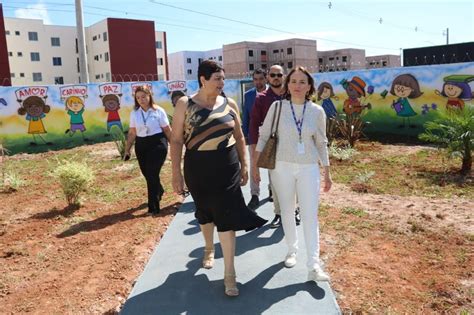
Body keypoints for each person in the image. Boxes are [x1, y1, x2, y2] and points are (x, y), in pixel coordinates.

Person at [170, 60, 267, 297]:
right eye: (217, 79)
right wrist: (176, 173)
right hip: (198, 167)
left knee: (227, 215)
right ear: (203, 79)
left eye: (223, 79)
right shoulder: (186, 104)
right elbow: (175, 140)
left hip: (227, 165)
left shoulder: (229, 103)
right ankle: (208, 247)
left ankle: (230, 273)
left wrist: (244, 164)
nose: (222, 83)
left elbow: (240, 136)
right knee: (205, 212)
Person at [253, 66, 333, 282]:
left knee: (310, 215)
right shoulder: (277, 107)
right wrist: (255, 166)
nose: (297, 85)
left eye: (302, 82)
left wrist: (327, 171)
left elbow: (321, 142)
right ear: (287, 85)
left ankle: (313, 264)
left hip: (308, 168)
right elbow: (263, 135)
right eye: (294, 81)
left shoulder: (317, 111)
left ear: (309, 86)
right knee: (287, 210)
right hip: (281, 166)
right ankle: (292, 250)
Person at [249, 65, 300, 228]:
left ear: (284, 76)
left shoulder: (292, 95)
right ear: (268, 78)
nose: (276, 77)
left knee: (294, 180)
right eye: (273, 75)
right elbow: (254, 125)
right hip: (272, 147)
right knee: (276, 181)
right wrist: (254, 150)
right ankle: (278, 213)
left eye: (279, 74)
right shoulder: (261, 99)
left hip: (293, 145)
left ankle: (294, 211)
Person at [124, 85, 171, 214]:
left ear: (149, 96)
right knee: (148, 174)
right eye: (138, 97)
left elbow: (167, 129)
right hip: (141, 144)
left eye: (143, 96)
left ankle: (154, 207)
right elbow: (132, 132)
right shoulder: (135, 113)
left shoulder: (159, 111)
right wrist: (127, 149)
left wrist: (175, 147)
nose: (141, 99)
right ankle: (159, 190)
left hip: (158, 143)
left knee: (151, 174)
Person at [241, 68, 267, 211]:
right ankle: (255, 195)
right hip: (254, 136)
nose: (258, 82)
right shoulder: (249, 95)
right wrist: (246, 134)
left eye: (261, 79)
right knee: (254, 165)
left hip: (271, 137)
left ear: (266, 78)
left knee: (272, 165)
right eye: (255, 79)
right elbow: (246, 116)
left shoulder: (272, 94)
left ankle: (272, 190)